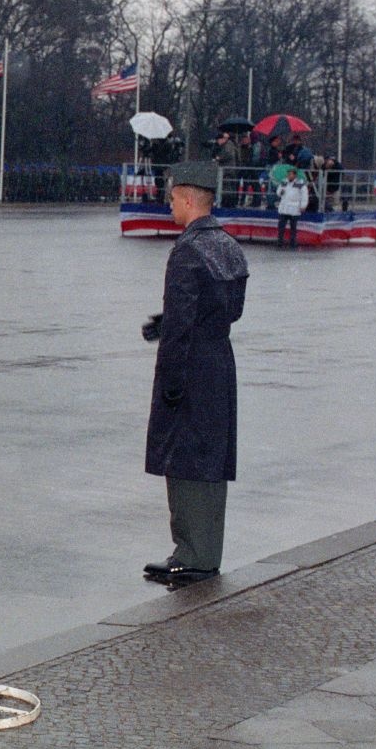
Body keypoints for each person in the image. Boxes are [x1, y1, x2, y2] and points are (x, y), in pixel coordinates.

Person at [139, 160, 249, 589]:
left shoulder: (186, 250)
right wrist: (169, 321)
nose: (170, 205)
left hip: (189, 367)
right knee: (211, 458)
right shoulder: (227, 245)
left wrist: (169, 380)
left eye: (171, 198)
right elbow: (227, 310)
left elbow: (182, 327)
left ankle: (190, 554)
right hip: (219, 361)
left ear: (187, 199)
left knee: (182, 459)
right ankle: (207, 550)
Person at [276, 166, 309, 248]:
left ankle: (293, 242)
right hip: (284, 208)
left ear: (295, 175)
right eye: (288, 174)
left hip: (294, 208)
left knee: (293, 227)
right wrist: (281, 192)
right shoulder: (284, 182)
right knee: (281, 226)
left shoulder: (300, 184)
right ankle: (280, 241)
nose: (289, 176)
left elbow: (304, 196)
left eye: (290, 174)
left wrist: (303, 206)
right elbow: (278, 192)